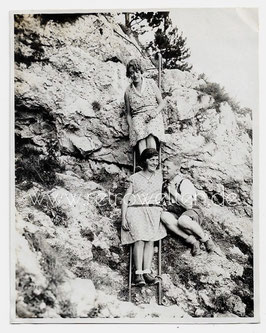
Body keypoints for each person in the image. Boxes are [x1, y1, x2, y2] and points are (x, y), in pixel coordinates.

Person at [121, 148, 167, 286]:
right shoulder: (134, 178)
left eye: (156, 160)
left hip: (153, 211)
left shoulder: (160, 175)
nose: (155, 163)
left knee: (150, 240)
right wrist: (123, 218)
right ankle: (138, 274)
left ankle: (147, 272)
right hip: (136, 210)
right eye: (152, 160)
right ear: (145, 161)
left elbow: (174, 173)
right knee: (140, 239)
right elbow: (126, 198)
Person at [161, 157, 215, 256]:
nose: (164, 170)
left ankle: (205, 239)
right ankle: (193, 241)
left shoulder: (184, 182)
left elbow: (188, 205)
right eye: (163, 167)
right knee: (164, 216)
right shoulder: (165, 185)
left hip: (192, 213)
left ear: (177, 170)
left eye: (167, 168)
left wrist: (173, 192)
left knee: (183, 221)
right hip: (177, 213)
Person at [124, 59, 166, 156]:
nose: (135, 75)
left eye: (137, 71)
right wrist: (131, 127)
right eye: (132, 73)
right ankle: (146, 166)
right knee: (140, 136)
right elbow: (129, 114)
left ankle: (152, 163)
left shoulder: (151, 83)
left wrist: (155, 112)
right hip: (138, 118)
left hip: (153, 115)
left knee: (150, 134)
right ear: (129, 74)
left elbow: (162, 103)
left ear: (141, 71)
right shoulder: (128, 91)